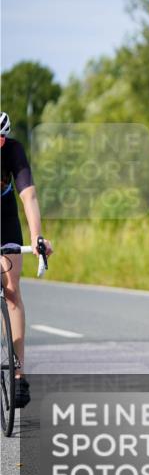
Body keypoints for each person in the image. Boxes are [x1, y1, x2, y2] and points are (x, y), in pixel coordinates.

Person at [0, 112, 55, 408]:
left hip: (5, 215)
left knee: (11, 291)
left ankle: (18, 375)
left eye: (0, 139)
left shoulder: (13, 150)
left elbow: (29, 196)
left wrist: (37, 238)